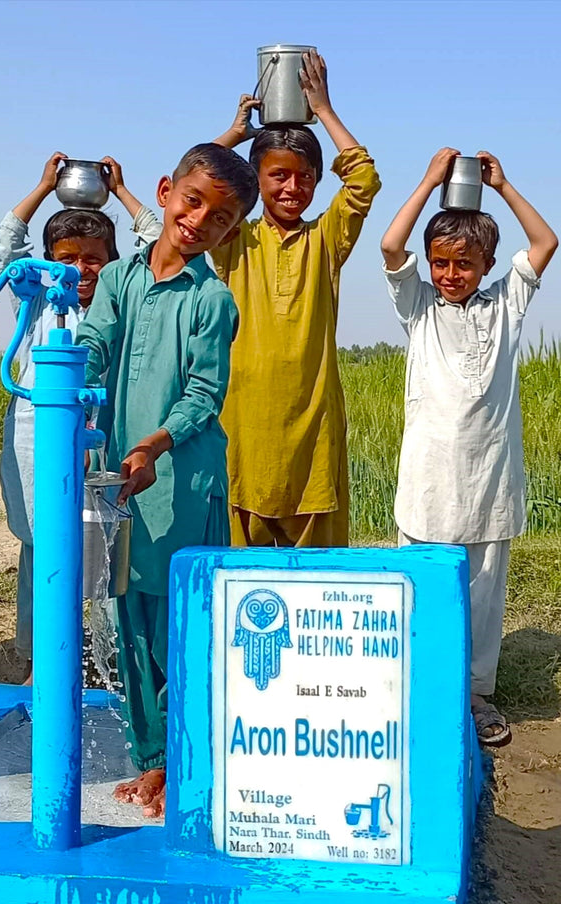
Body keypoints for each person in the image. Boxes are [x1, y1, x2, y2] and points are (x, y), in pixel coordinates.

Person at [76, 143, 258, 817]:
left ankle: (180, 760)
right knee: (130, 616)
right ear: (164, 193)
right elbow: (95, 342)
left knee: (180, 618)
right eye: (193, 201)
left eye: (220, 216)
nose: (200, 220)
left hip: (181, 477)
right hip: (125, 474)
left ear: (230, 230)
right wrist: (71, 372)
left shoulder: (212, 300)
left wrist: (155, 442)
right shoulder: (121, 279)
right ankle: (153, 756)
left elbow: (205, 392)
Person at [381, 148, 557, 748]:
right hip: (428, 482)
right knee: (423, 587)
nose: (451, 273)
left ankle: (477, 695)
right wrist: (430, 180)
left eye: (464, 263)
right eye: (441, 262)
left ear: (485, 265)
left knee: (483, 596)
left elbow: (544, 242)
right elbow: (389, 246)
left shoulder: (506, 306)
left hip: (490, 481)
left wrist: (503, 186)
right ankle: (416, 687)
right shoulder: (420, 307)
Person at [0, 152, 161, 685]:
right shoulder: (38, 300)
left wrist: (124, 191)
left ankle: (103, 663)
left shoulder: (121, 299)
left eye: (94, 258)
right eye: (68, 257)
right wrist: (45, 185)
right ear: (47, 260)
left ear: (113, 261)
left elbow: (155, 239)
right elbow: (6, 242)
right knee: (41, 541)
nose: (81, 269)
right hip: (35, 432)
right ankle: (39, 656)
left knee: (101, 543)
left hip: (100, 432)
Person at [213, 50, 380, 547]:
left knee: (316, 579)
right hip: (244, 427)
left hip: (314, 431)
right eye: (277, 176)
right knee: (243, 579)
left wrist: (324, 109)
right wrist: (234, 136)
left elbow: (364, 181)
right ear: (254, 181)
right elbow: (192, 186)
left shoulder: (325, 241)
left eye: (304, 176)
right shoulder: (233, 240)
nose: (292, 187)